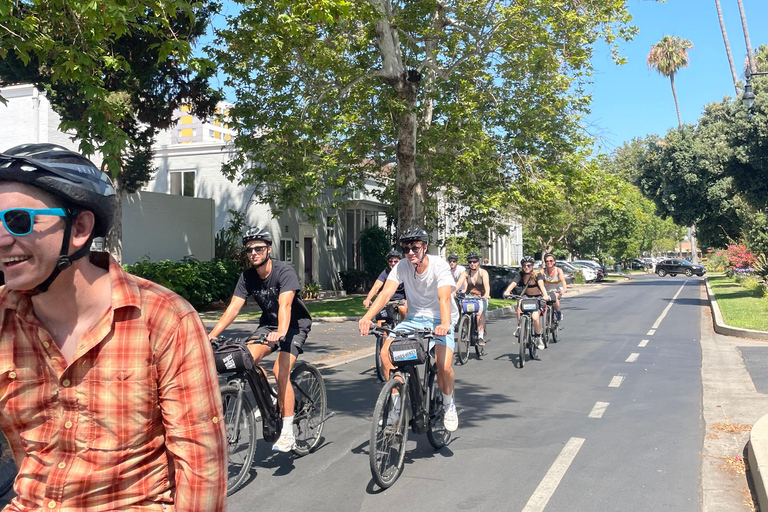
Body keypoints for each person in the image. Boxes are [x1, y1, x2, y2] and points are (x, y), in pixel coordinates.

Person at [0, 143, 226, 511]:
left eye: (19, 221)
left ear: (81, 228)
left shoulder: (164, 318)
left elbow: (200, 466)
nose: (2, 238)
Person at [208, 226, 312, 452]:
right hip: (268, 326)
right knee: (245, 358)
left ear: (268, 249)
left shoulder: (284, 272)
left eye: (258, 248)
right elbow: (233, 309)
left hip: (294, 326)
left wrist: (282, 331)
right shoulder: (247, 277)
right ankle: (272, 396)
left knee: (280, 370)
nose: (253, 253)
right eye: (249, 250)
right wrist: (212, 335)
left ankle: (287, 433)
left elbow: (285, 305)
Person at [358, 227, 460, 432]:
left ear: (424, 248)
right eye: (406, 249)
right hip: (414, 318)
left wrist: (444, 325)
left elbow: (444, 298)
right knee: (385, 354)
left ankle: (448, 403)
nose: (410, 253)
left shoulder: (439, 265)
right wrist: (367, 317)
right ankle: (396, 407)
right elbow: (386, 293)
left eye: (415, 248)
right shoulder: (403, 266)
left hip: (441, 317)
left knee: (444, 365)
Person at [503, 255, 550, 350]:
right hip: (526, 297)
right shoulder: (520, 275)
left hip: (537, 298)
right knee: (520, 303)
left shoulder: (537, 275)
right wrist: (507, 292)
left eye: (528, 265)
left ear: (532, 266)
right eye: (524, 265)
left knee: (535, 317)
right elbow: (513, 283)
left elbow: (541, 285)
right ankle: (520, 327)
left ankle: (538, 337)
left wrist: (545, 295)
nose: (526, 267)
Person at [455, 251, 491, 344]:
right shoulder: (466, 272)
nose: (472, 264)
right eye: (470, 262)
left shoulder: (483, 272)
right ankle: (465, 326)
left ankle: (480, 336)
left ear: (478, 262)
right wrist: (453, 291)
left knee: (479, 314)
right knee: (464, 312)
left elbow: (486, 284)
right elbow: (459, 282)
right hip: (469, 297)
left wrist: (486, 294)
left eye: (474, 261)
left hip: (481, 297)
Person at [363, 249, 407, 322]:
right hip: (388, 301)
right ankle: (384, 333)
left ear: (400, 261)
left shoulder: (405, 272)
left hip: (402, 300)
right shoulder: (385, 273)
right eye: (390, 261)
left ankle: (403, 327)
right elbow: (376, 287)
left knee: (402, 309)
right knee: (381, 320)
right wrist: (368, 299)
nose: (393, 263)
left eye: (396, 261)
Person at [539, 253, 567, 321]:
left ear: (554, 262)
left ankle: (558, 312)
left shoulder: (558, 270)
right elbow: (539, 280)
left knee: (554, 298)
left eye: (551, 261)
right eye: (547, 261)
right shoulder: (543, 271)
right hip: (546, 292)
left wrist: (564, 289)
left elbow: (563, 281)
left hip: (557, 290)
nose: (549, 262)